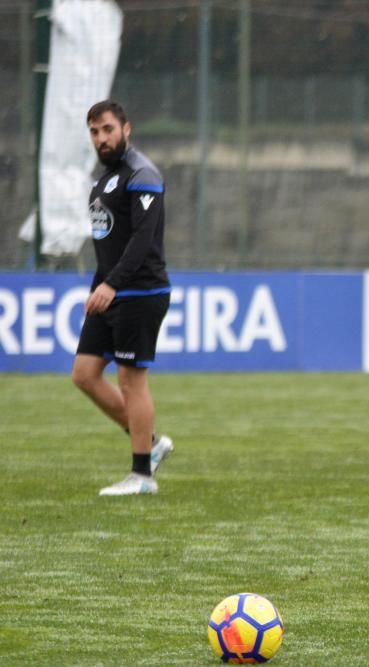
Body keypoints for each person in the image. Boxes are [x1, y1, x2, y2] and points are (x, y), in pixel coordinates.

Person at [71, 100, 173, 496]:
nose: (101, 138)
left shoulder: (141, 174)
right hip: (111, 291)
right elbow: (108, 244)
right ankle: (150, 444)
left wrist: (111, 285)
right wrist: (99, 287)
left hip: (140, 291)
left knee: (132, 382)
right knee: (84, 374)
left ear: (126, 129)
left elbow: (141, 240)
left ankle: (142, 476)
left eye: (108, 129)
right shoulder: (104, 180)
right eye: (94, 132)